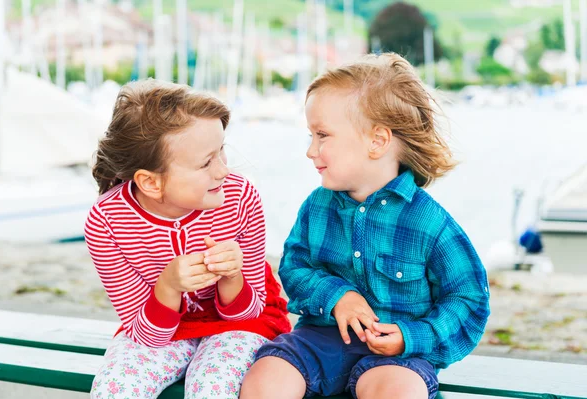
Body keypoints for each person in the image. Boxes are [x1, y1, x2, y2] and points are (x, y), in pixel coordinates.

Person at [240, 53, 490, 399]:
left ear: (377, 141)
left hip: (396, 358)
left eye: (322, 135)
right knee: (265, 376)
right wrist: (336, 296)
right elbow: (294, 266)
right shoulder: (317, 206)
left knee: (398, 392)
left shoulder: (430, 223)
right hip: (318, 341)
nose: (311, 151)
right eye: (310, 136)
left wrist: (412, 337)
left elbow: (468, 298)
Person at [84, 79, 290, 399]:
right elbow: (146, 335)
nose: (223, 170)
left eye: (221, 151)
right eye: (206, 162)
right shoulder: (106, 222)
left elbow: (247, 313)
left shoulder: (240, 197)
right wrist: (168, 286)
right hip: (160, 328)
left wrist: (231, 275)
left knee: (212, 385)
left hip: (240, 323)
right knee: (116, 389)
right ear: (151, 183)